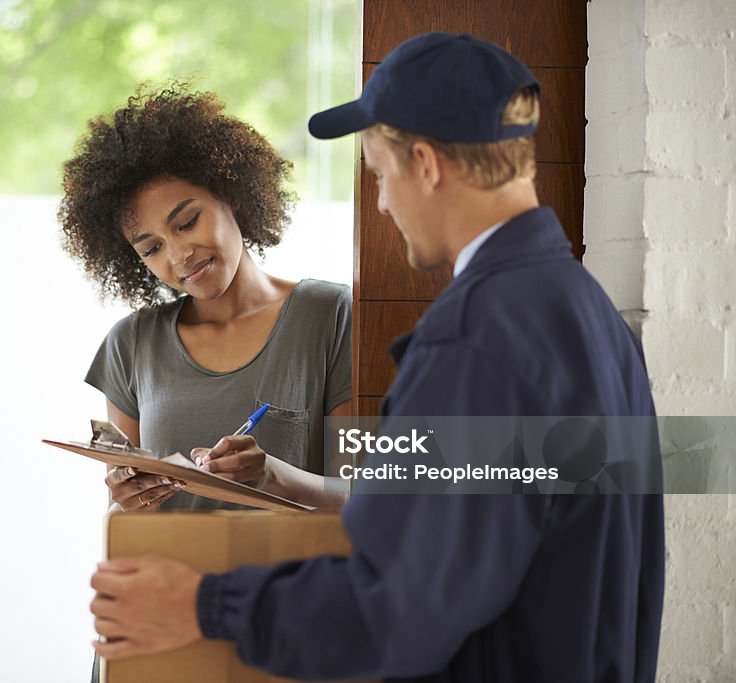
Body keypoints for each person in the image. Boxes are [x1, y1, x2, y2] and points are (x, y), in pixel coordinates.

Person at [88, 33, 665, 682]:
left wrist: (204, 605)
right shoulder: (594, 316)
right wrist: (272, 478)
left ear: (424, 163)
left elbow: (396, 606)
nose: (384, 202)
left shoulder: (473, 338)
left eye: (381, 175)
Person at [59, 83, 353, 515]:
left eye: (187, 222)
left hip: (293, 579)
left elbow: (368, 499)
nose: (178, 256)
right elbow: (122, 519)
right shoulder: (131, 344)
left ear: (229, 193)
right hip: (166, 578)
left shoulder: (329, 315)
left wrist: (273, 475)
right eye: (151, 249)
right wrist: (126, 502)